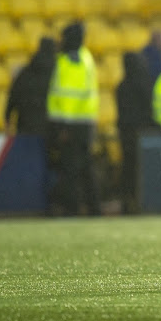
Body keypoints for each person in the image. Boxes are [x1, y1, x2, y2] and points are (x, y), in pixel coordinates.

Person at [46, 22, 100, 216]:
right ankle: (94, 208)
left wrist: (62, 127)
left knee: (70, 169)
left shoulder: (69, 61)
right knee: (86, 168)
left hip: (70, 125)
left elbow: (66, 98)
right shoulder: (87, 57)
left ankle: (73, 209)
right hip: (85, 123)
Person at [116, 52, 152, 213]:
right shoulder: (144, 84)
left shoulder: (121, 87)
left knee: (128, 168)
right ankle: (140, 203)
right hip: (141, 134)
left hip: (126, 133)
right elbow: (148, 109)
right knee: (141, 168)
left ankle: (127, 203)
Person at [5, 37, 55, 137]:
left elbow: (13, 97)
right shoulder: (57, 75)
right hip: (50, 131)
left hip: (25, 128)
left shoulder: (25, 73)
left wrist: (7, 118)